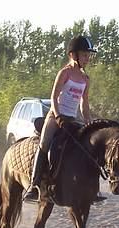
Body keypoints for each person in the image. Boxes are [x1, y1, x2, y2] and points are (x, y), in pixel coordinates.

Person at [24, 35, 98, 202]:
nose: (88, 59)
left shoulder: (86, 79)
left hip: (72, 119)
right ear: (73, 55)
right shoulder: (64, 73)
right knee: (44, 143)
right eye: (85, 55)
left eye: (89, 56)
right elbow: (53, 97)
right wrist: (57, 116)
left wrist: (89, 123)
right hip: (55, 116)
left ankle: (92, 188)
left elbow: (84, 105)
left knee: (87, 146)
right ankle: (33, 185)